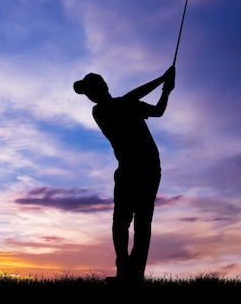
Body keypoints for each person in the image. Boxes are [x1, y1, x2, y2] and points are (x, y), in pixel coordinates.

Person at [73, 66, 175, 282]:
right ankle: (125, 270)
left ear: (103, 87)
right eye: (88, 93)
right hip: (129, 168)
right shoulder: (100, 111)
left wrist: (166, 90)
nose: (90, 96)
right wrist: (161, 79)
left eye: (91, 90)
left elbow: (157, 111)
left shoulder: (126, 103)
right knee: (121, 221)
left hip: (147, 167)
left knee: (141, 221)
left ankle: (134, 274)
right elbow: (130, 98)